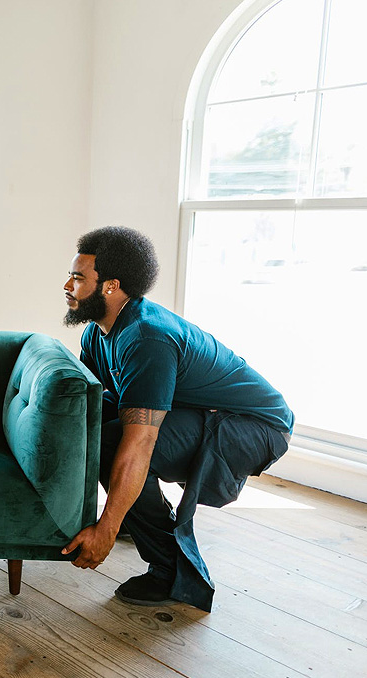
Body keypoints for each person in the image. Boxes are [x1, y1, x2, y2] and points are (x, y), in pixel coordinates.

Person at [61, 225, 292, 611]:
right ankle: (143, 521)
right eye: (69, 275)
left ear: (110, 286)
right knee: (103, 434)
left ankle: (173, 572)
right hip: (210, 413)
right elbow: (94, 408)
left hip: (253, 427)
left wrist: (107, 525)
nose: (68, 285)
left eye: (78, 277)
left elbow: (139, 445)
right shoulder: (97, 334)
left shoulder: (146, 337)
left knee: (117, 446)